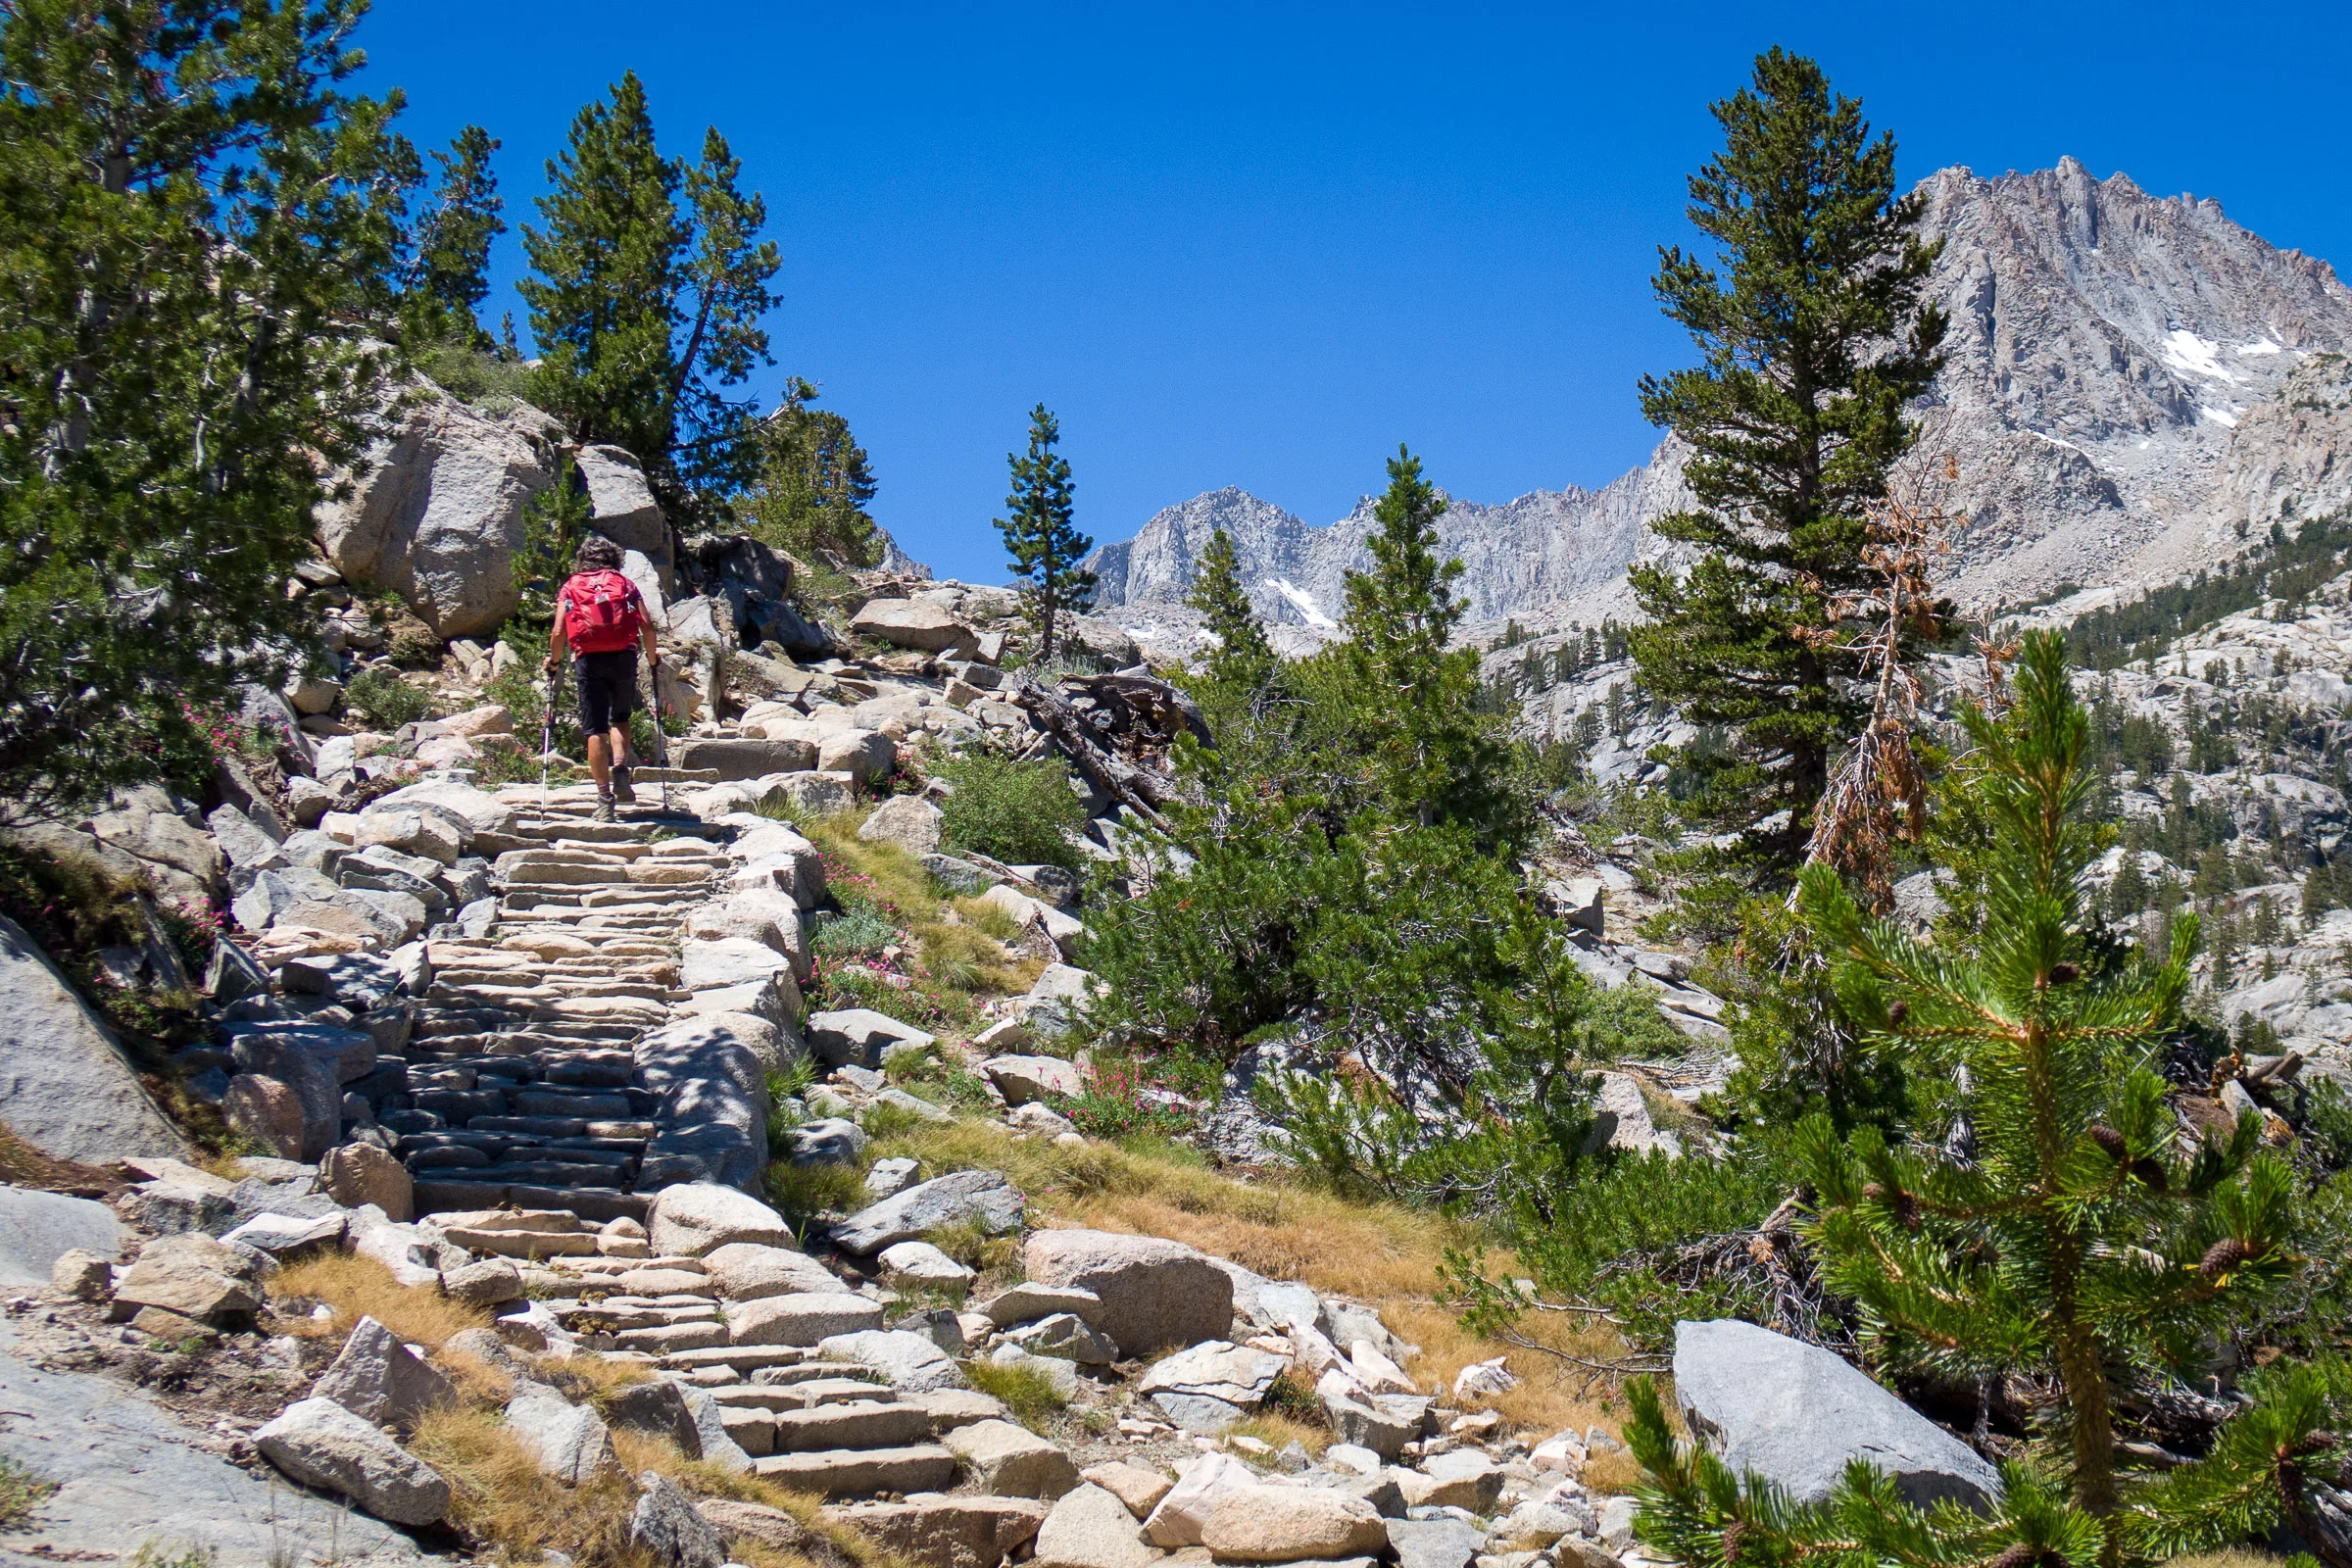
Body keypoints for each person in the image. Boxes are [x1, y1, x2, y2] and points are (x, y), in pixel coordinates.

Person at [543, 537, 662, 823]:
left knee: (595, 729)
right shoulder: (625, 584)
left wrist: (554, 662)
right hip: (624, 656)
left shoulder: (571, 586)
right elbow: (646, 624)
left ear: (583, 559)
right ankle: (620, 769)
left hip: (588, 658)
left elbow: (559, 630)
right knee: (620, 717)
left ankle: (604, 800)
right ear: (614, 561)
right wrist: (652, 657)